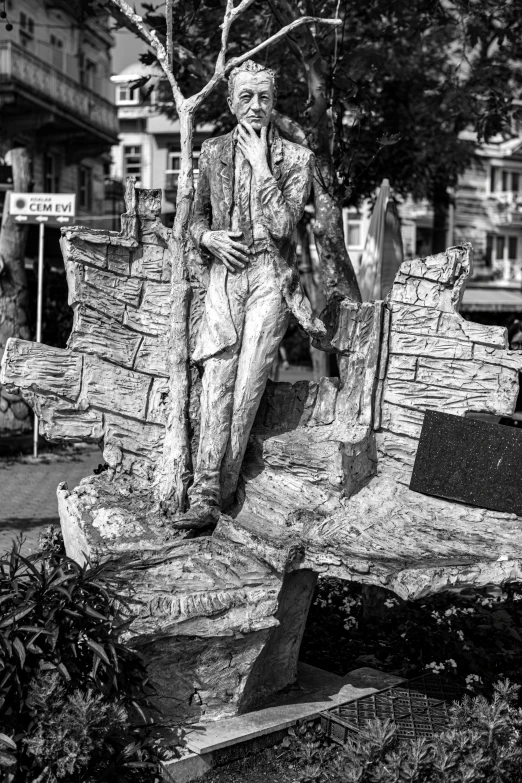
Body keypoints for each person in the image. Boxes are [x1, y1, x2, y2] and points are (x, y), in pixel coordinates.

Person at [173, 59, 325, 530]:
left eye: (263, 97)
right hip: (224, 274)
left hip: (268, 277)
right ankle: (203, 493)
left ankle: (224, 488)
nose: (255, 106)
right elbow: (192, 218)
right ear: (231, 101)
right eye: (246, 97)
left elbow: (282, 228)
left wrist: (261, 166)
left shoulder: (297, 159)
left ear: (274, 101)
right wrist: (207, 238)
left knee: (248, 386)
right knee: (217, 380)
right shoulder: (213, 152)